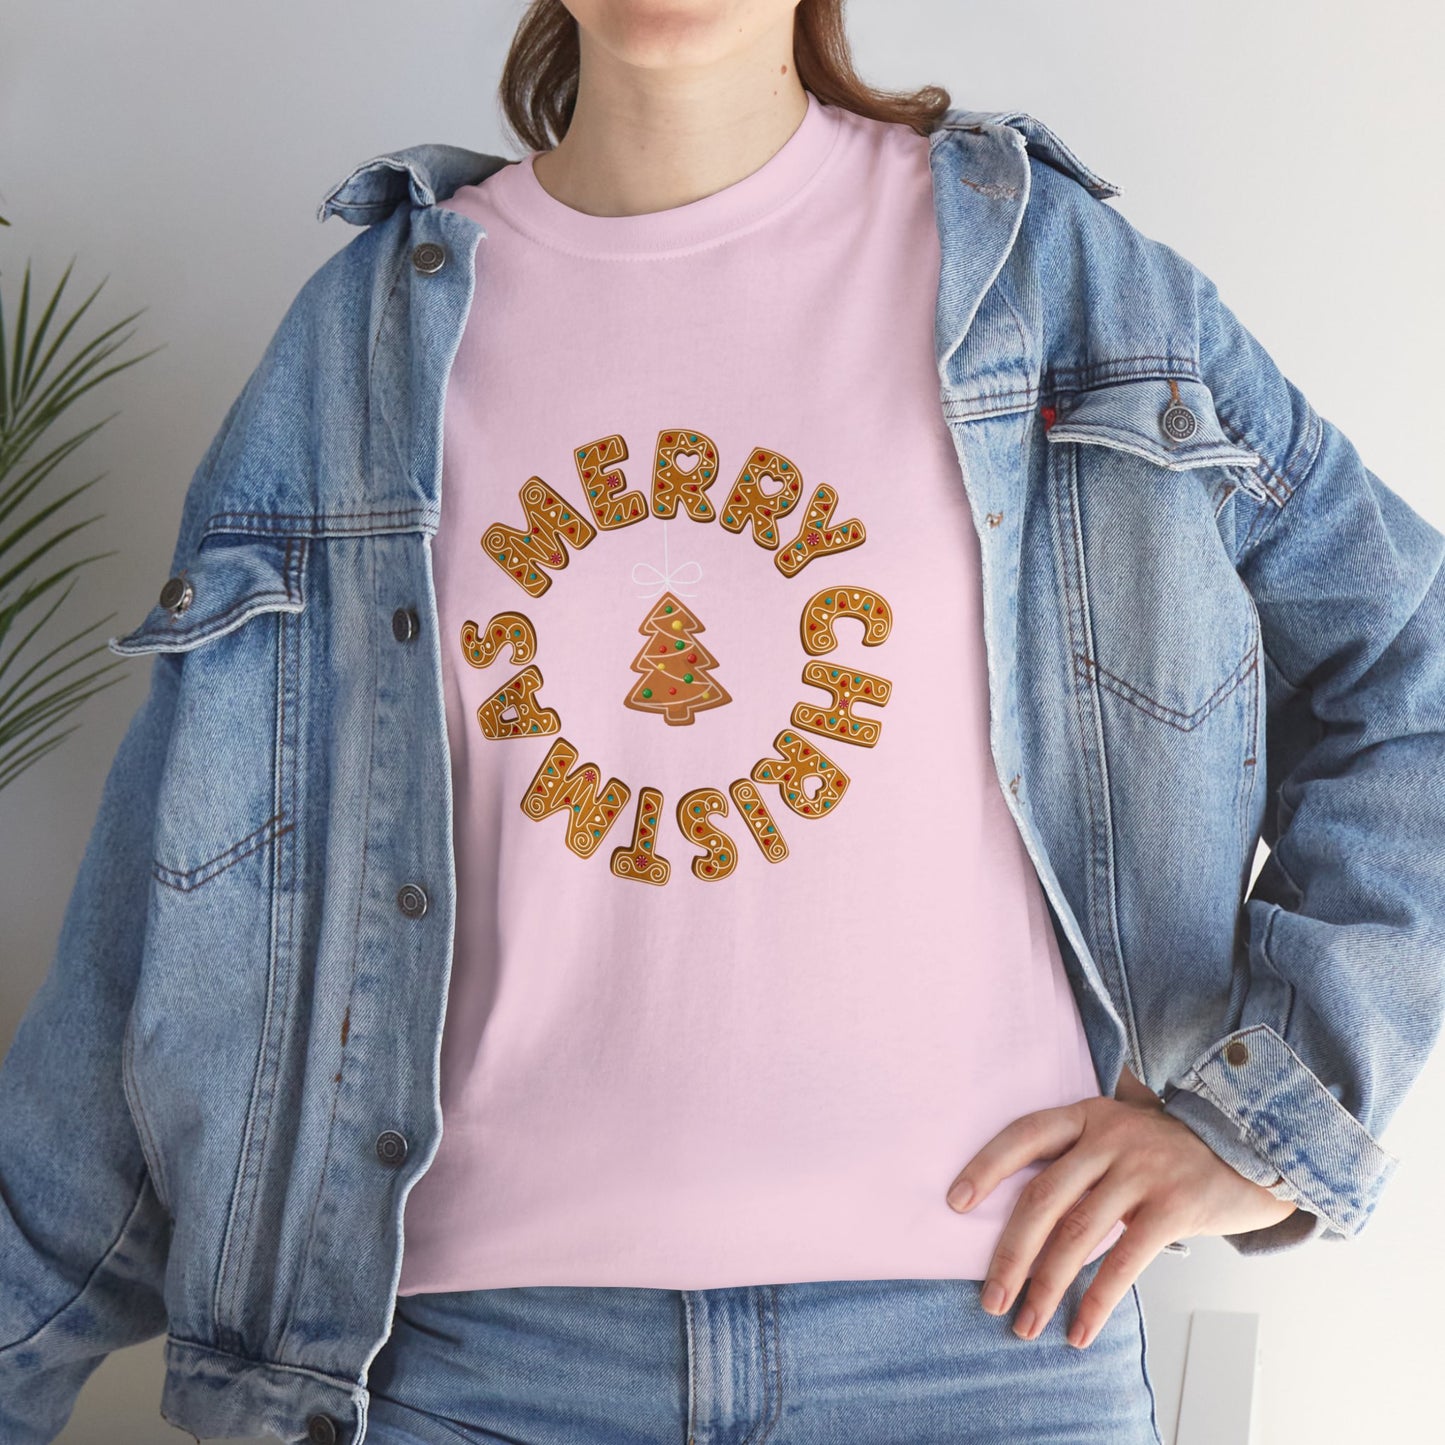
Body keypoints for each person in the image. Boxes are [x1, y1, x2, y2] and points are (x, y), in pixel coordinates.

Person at [3, 2, 1442, 1443]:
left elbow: (1407, 671)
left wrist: (1270, 1122)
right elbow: (173, 920)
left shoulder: (1056, 285)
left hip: (984, 1346)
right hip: (467, 1368)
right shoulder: (357, 345)